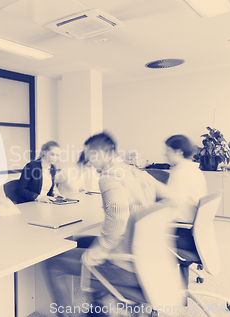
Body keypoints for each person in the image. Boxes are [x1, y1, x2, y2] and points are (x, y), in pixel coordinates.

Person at [46, 133, 173, 317]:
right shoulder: (137, 172)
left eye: (89, 155)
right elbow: (171, 198)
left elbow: (117, 221)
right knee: (84, 242)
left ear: (99, 154)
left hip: (126, 265)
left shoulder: (109, 177)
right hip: (149, 259)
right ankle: (99, 308)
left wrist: (98, 252)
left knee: (55, 263)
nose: (88, 160)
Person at [165, 134, 208, 252]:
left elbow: (172, 207)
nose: (165, 154)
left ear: (178, 152)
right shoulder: (194, 170)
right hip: (195, 234)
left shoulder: (181, 173)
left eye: (168, 150)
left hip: (183, 235)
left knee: (141, 231)